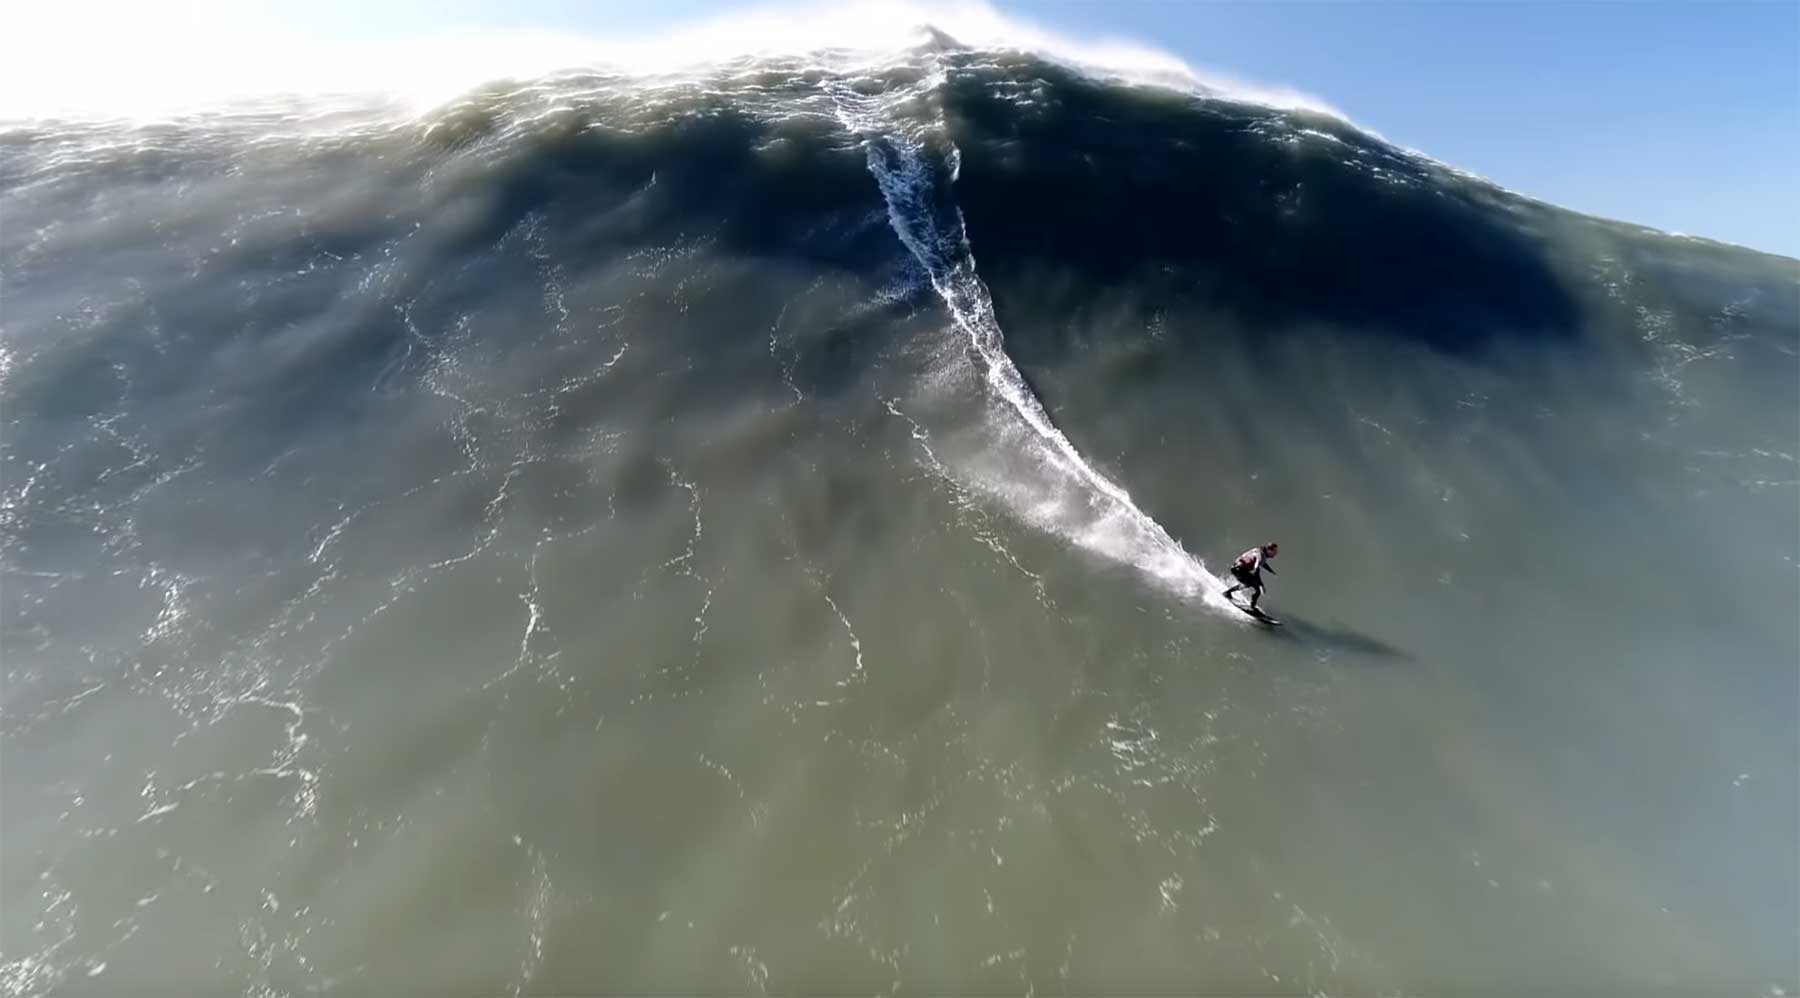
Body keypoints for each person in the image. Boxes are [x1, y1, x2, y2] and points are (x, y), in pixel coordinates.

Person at [1223, 542, 1278, 610]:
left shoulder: (1258, 550)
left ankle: (1227, 593)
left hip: (1237, 567)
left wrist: (1270, 571)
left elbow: (1262, 563)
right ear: (1268, 550)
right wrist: (1261, 585)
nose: (1276, 554)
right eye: (1274, 552)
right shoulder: (1261, 556)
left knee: (1249, 583)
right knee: (1257, 589)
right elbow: (1256, 567)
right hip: (1239, 570)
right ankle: (1252, 607)